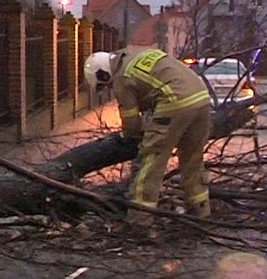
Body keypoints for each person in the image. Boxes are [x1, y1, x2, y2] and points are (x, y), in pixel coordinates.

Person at [84, 48, 212, 225]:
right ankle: (201, 208)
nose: (109, 89)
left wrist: (131, 137)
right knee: (193, 158)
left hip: (174, 100)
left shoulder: (121, 77)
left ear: (104, 74)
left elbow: (131, 122)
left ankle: (140, 218)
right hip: (202, 98)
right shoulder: (137, 55)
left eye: (105, 85)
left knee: (152, 159)